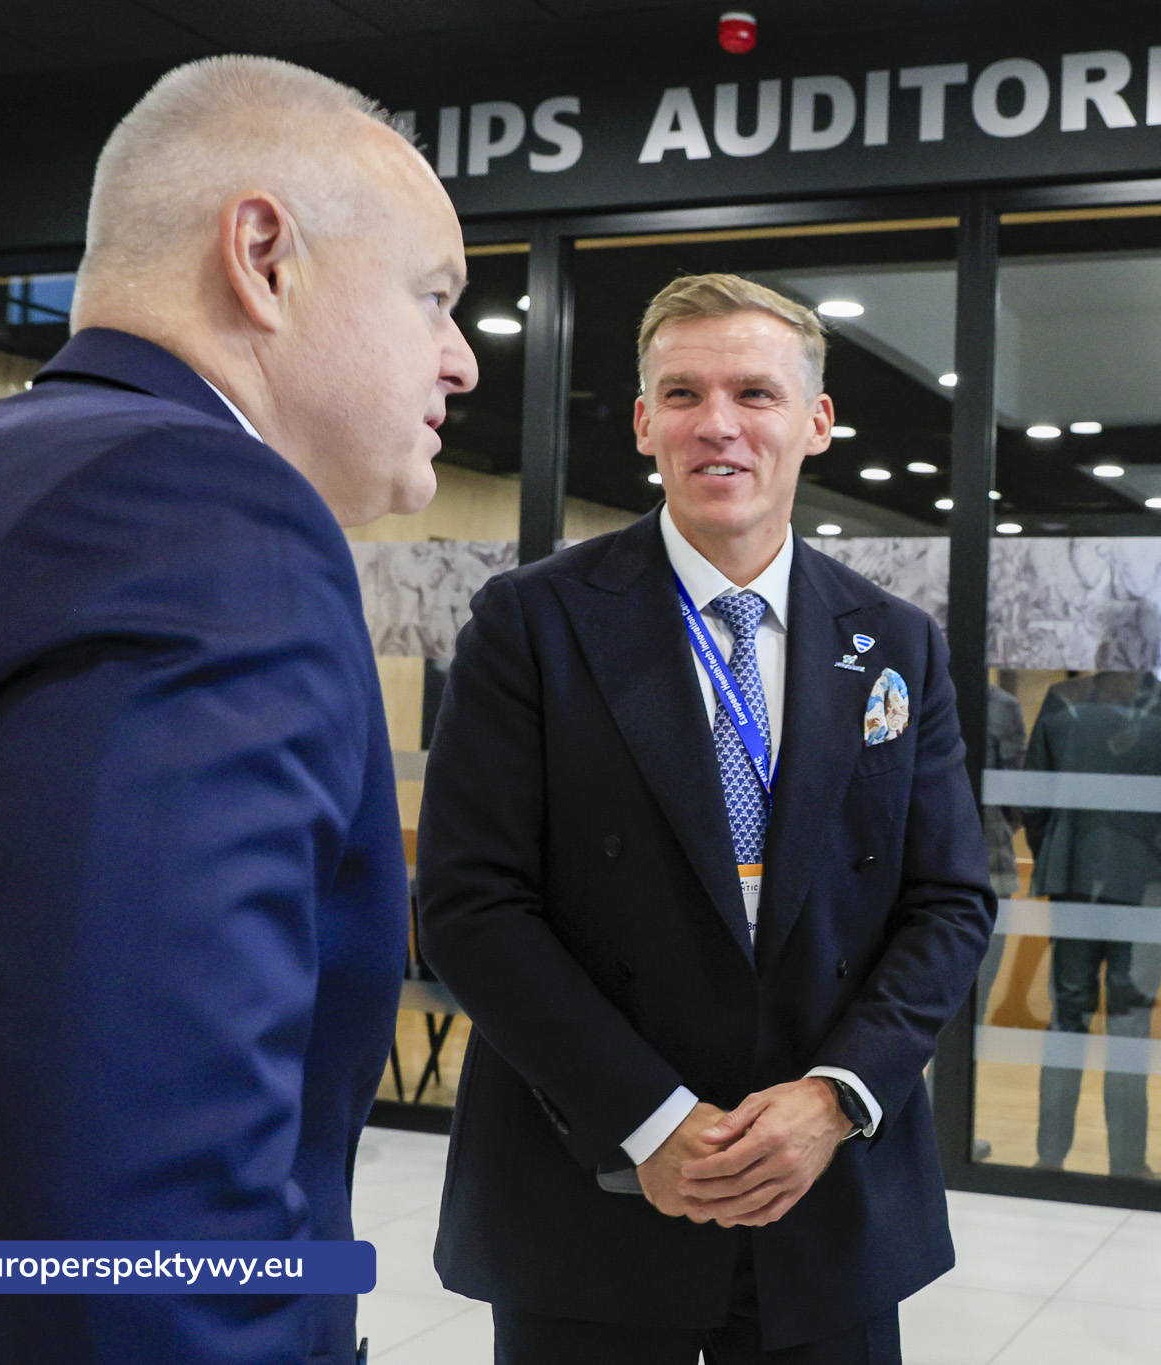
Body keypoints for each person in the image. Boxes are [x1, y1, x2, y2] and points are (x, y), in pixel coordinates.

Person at [0, 56, 476, 1365]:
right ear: (264, 255)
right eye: (436, 297)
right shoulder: (200, 521)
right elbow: (145, 1222)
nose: (464, 358)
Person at [415, 273, 994, 1364]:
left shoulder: (896, 643)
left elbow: (948, 901)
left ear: (815, 422)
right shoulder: (529, 625)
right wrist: (654, 1119)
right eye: (681, 394)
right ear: (643, 423)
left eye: (755, 394)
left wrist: (833, 1100)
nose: (716, 425)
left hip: (826, 1199)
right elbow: (470, 905)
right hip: (591, 1184)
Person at [1021, 604, 1161, 1180]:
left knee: (1066, 1018)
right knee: (1130, 1023)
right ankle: (1128, 1164)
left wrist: (1057, 851)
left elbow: (1032, 800)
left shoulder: (1063, 702)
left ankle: (1049, 1159)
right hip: (1149, 879)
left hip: (1073, 872)